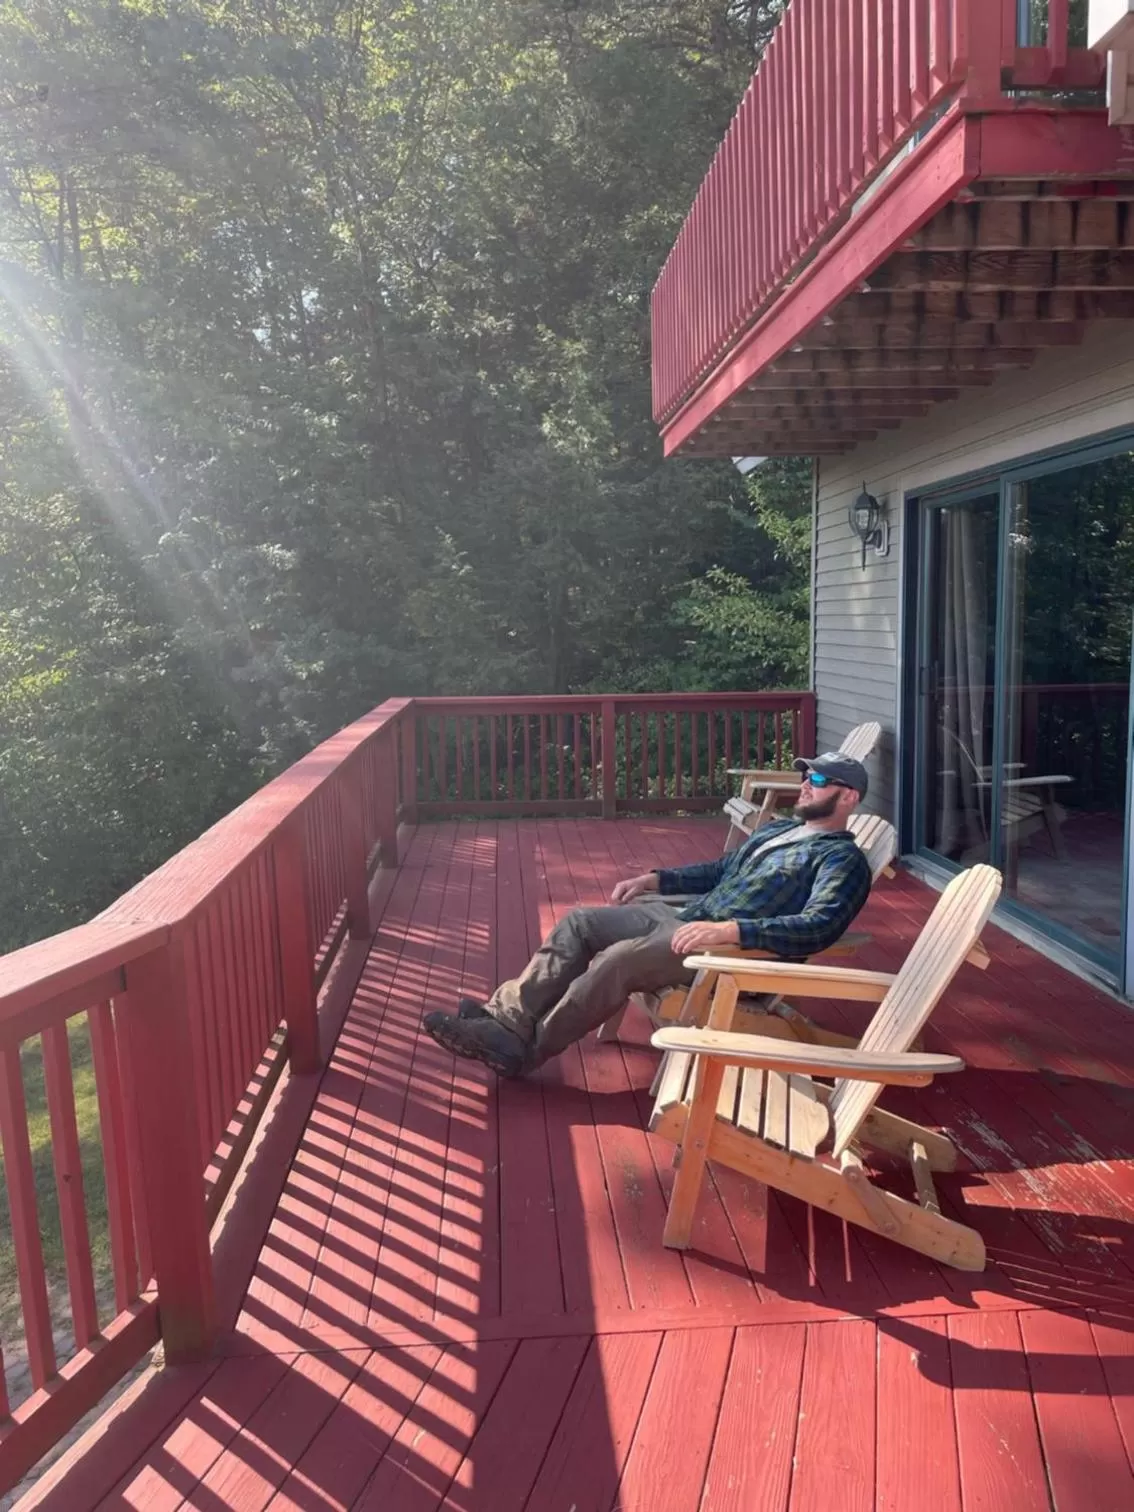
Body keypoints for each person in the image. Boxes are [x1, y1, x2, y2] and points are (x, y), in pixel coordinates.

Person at [422, 751, 874, 1078]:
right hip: (688, 917)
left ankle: (524, 1051)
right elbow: (720, 869)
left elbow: (820, 925)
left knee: (617, 962)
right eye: (807, 777)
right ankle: (508, 1017)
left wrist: (730, 930)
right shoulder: (781, 831)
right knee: (580, 922)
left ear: (848, 797)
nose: (804, 785)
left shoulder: (841, 860)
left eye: (816, 781)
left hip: (727, 950)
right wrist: (656, 879)